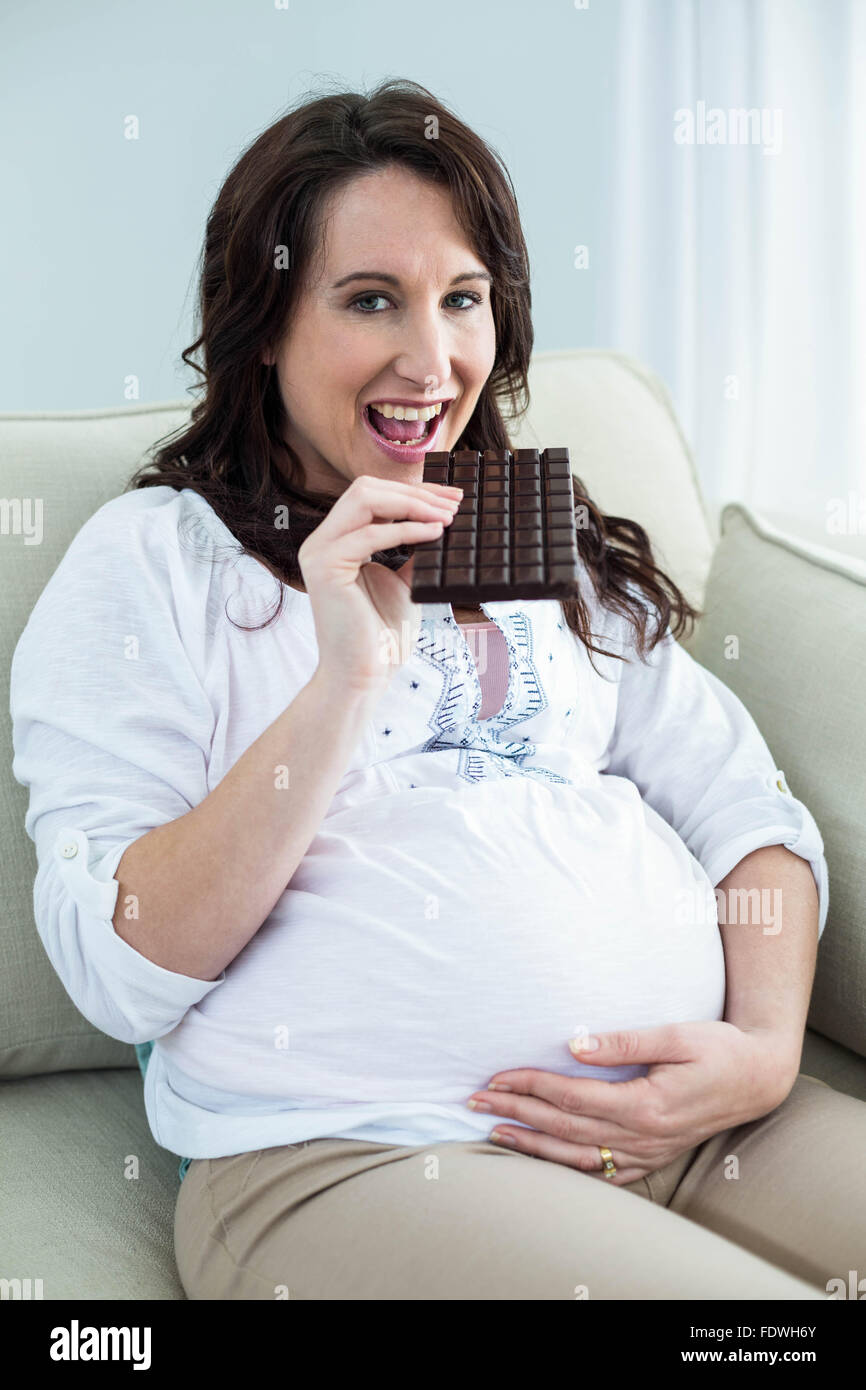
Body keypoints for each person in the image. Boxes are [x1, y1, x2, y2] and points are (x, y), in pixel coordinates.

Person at [10, 79, 864, 1301]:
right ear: (265, 323)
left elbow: (748, 818)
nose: (432, 359)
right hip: (369, 1153)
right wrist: (343, 677)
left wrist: (761, 1052)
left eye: (461, 299)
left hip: (705, 1126)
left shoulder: (542, 544)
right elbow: (123, 961)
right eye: (370, 300)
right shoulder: (157, 558)